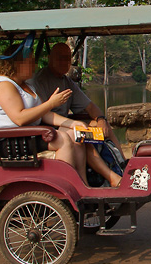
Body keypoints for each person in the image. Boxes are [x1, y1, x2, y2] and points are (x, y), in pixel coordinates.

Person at [0, 45, 88, 183]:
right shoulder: (4, 85)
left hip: (25, 135)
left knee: (74, 134)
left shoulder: (25, 85)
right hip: (3, 141)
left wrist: (73, 123)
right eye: (30, 62)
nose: (34, 65)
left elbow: (44, 114)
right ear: (17, 63)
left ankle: (82, 183)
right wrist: (51, 103)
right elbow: (20, 118)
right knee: (62, 139)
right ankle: (66, 184)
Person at [32, 43, 123, 187]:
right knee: (82, 135)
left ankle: (122, 166)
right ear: (50, 58)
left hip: (66, 126)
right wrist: (72, 124)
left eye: (67, 59)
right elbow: (44, 114)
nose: (65, 63)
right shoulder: (40, 81)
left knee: (102, 127)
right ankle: (104, 178)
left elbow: (90, 106)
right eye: (60, 58)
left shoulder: (66, 81)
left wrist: (100, 119)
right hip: (49, 130)